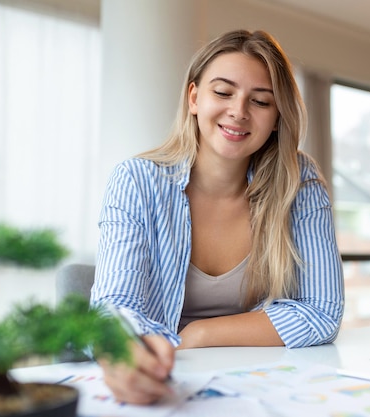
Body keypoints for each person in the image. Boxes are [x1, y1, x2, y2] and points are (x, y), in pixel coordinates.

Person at [91, 29, 344, 405]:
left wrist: (198, 334)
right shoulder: (136, 180)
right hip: (168, 380)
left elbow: (323, 311)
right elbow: (115, 308)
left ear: (277, 117)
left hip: (260, 385)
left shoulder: (298, 181)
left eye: (260, 101)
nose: (238, 111)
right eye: (223, 93)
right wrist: (134, 355)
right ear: (194, 98)